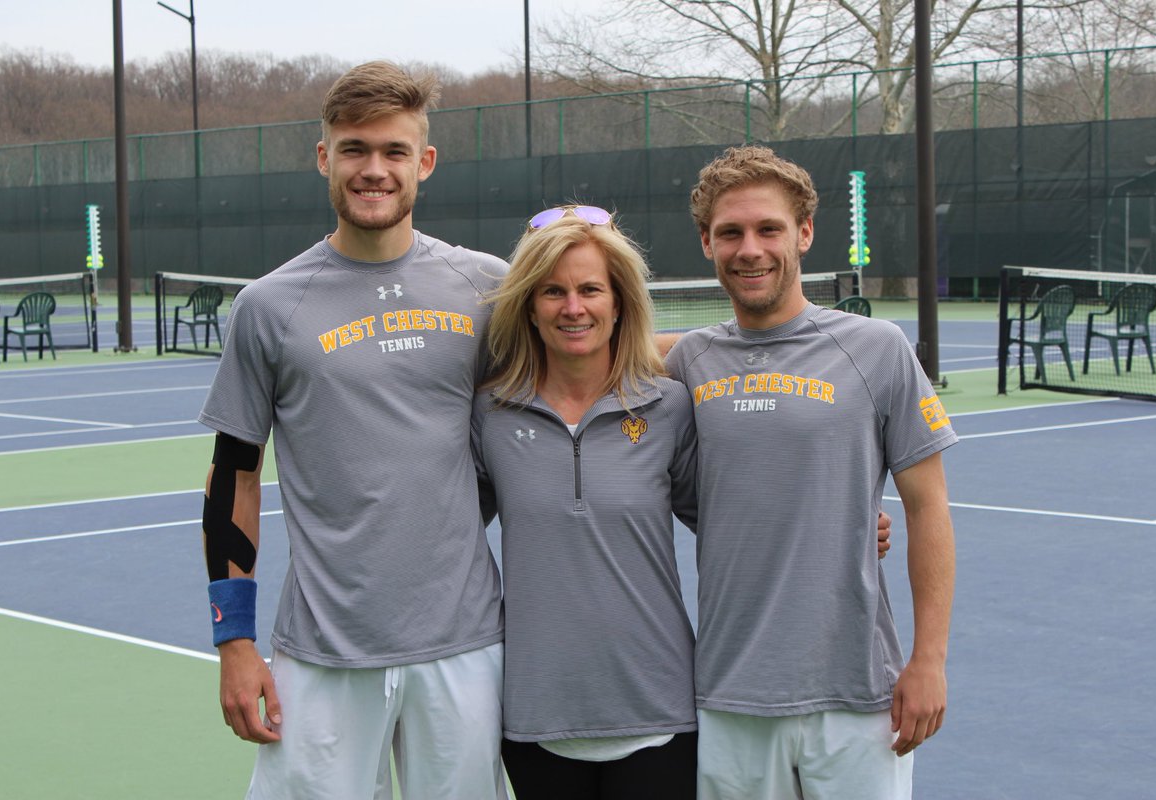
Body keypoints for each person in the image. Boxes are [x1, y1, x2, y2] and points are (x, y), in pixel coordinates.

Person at [197, 61, 508, 800]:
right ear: (324, 158)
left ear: (424, 162)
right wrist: (233, 643)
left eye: (395, 152)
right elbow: (233, 477)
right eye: (355, 150)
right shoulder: (268, 307)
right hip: (322, 653)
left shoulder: (489, 288)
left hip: (464, 649)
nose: (375, 170)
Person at [664, 145, 957, 799]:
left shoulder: (876, 350)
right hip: (728, 695)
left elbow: (928, 506)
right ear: (706, 242)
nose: (750, 249)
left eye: (769, 229)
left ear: (804, 233)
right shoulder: (688, 362)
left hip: (857, 694)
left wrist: (928, 660)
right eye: (731, 232)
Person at [470, 205, 701, 799]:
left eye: (590, 289)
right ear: (529, 305)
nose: (573, 308)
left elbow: (735, 521)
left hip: (661, 714)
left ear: (619, 302)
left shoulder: (670, 408)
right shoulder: (490, 415)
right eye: (553, 291)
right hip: (534, 721)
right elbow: (441, 528)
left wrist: (848, 522)